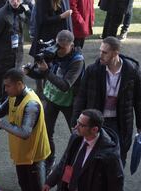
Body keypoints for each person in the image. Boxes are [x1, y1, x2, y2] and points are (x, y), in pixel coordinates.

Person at [43, 109, 124, 191]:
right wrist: (49, 182)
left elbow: (116, 188)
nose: (76, 127)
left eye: (81, 125)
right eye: (77, 122)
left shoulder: (109, 155)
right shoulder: (76, 137)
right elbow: (65, 162)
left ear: (94, 130)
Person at [72, 36, 141, 166]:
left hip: (120, 122)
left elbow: (138, 99)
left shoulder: (132, 70)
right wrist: (75, 120)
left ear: (115, 53)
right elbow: (81, 96)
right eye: (100, 51)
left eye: (105, 52)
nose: (100, 55)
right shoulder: (93, 70)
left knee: (118, 159)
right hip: (97, 120)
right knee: (93, 157)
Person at [26, 30, 85, 174]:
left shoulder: (77, 60)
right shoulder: (52, 51)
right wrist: (31, 72)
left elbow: (65, 86)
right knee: (46, 132)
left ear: (71, 45)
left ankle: (76, 164)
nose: (59, 50)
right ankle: (50, 160)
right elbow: (42, 73)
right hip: (51, 99)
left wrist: (46, 72)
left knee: (77, 134)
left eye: (63, 47)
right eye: (58, 45)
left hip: (70, 102)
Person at [29, 0, 72, 97]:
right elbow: (41, 20)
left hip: (55, 38)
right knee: (41, 66)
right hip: (44, 39)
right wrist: (61, 16)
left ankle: (47, 91)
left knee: (51, 67)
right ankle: (40, 92)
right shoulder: (42, 2)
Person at [0, 0, 25, 102]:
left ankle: (10, 105)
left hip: (16, 55)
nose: (15, 2)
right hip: (3, 56)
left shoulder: (21, 11)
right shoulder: (1, 16)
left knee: (14, 83)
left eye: (18, 0)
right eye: (13, 0)